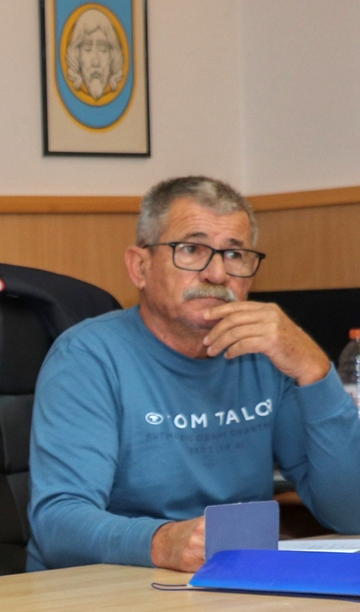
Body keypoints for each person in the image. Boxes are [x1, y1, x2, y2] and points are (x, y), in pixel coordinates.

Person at [27, 175, 360, 573]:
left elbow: (351, 513)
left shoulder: (264, 356)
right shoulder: (88, 358)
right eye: (191, 249)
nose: (217, 274)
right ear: (140, 267)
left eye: (234, 254)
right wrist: (160, 542)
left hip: (234, 584)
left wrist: (314, 369)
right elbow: (58, 526)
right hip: (107, 588)